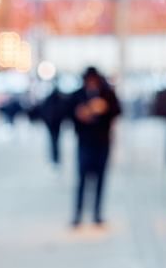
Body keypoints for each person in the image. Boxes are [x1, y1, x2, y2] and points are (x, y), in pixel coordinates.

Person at [69, 66, 121, 227]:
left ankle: (97, 212)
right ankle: (78, 212)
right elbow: (67, 112)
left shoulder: (107, 94)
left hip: (102, 141)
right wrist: (80, 113)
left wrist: (104, 108)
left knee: (100, 179)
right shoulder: (78, 95)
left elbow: (117, 110)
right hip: (84, 142)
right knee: (82, 179)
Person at [36, 80, 68, 166]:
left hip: (53, 124)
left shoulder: (51, 100)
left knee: (54, 141)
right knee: (54, 141)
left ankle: (55, 158)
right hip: (53, 124)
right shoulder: (55, 100)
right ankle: (55, 158)